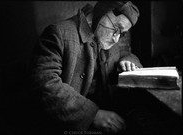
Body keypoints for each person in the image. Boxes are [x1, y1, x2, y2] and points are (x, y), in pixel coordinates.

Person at [28, 1, 163, 134]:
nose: (116, 39)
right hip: (69, 126)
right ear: (101, 13)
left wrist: (128, 61)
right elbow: (45, 83)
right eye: (116, 28)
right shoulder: (58, 33)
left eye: (121, 33)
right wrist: (92, 115)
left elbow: (125, 53)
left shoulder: (106, 37)